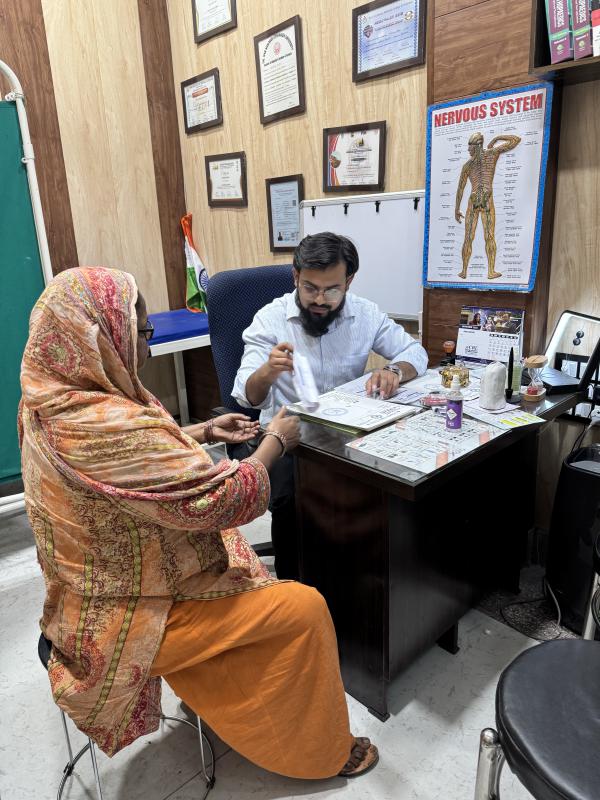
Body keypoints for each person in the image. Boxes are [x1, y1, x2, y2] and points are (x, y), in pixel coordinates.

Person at [19, 267, 378, 779]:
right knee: (303, 608)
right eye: (139, 332)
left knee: (234, 552)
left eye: (333, 288)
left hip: (88, 585)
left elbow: (130, 460)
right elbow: (225, 497)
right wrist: (276, 440)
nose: (145, 346)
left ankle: (226, 692)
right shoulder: (268, 320)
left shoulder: (49, 397)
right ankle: (323, 750)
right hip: (128, 608)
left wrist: (204, 430)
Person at [232, 232, 428, 579]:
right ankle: (295, 584)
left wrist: (394, 371)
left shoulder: (365, 314)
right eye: (310, 288)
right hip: (288, 439)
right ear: (296, 277)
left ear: (349, 282)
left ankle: (364, 582)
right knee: (294, 505)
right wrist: (267, 371)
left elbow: (415, 352)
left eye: (332, 290)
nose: (320, 299)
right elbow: (248, 396)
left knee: (389, 487)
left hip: (347, 434)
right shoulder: (270, 319)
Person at [455, 132, 521, 280]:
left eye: (470, 146)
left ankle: (486, 271)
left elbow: (516, 140)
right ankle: (466, 271)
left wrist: (496, 138)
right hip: (482, 200)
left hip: (479, 200)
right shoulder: (474, 162)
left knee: (487, 236)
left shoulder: (489, 155)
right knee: (471, 237)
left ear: (478, 145)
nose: (468, 149)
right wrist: (456, 209)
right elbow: (460, 188)